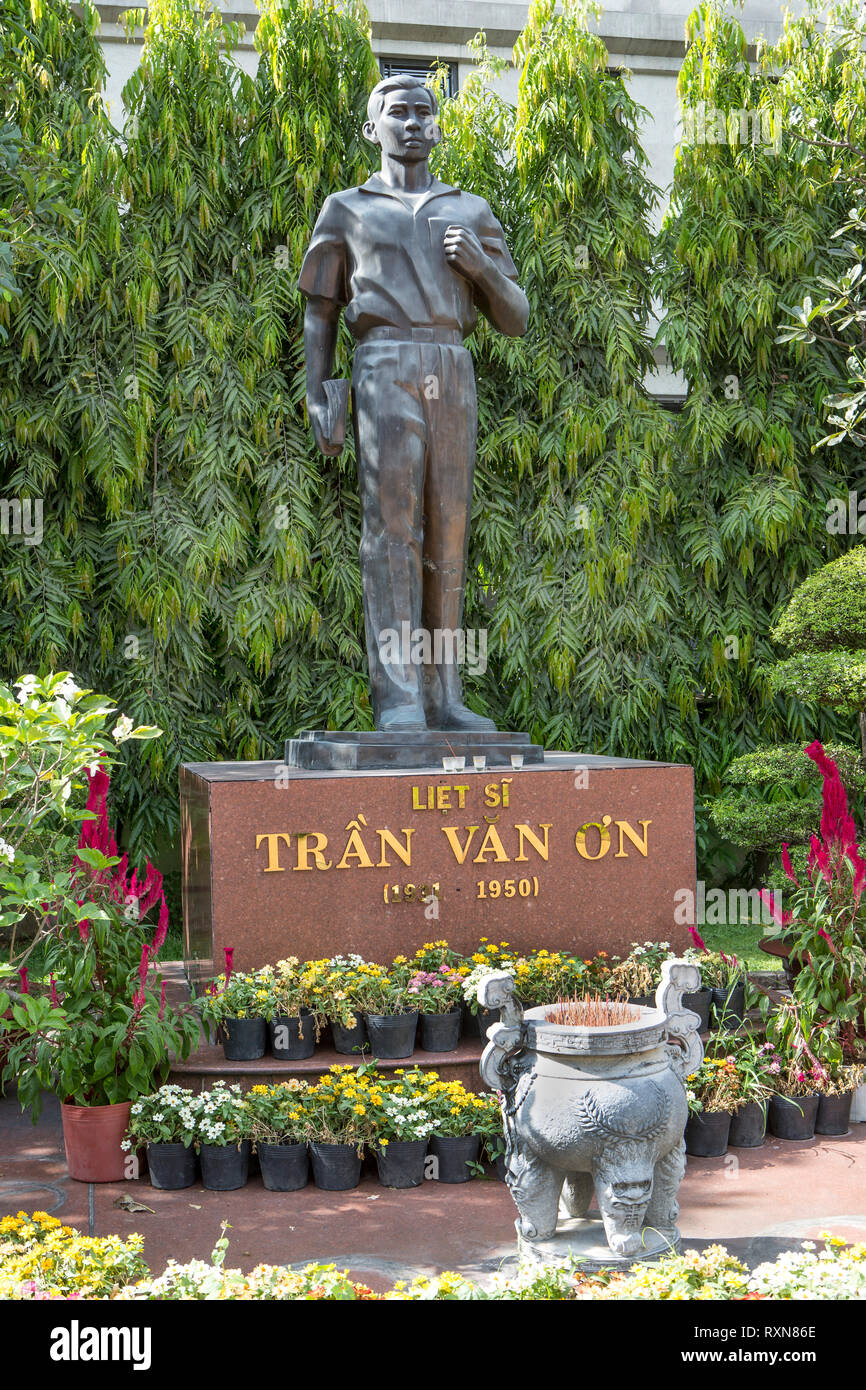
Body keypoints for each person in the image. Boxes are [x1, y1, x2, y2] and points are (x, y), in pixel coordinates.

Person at [299, 74, 529, 732]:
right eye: (396, 113)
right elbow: (320, 311)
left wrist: (480, 270)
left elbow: (515, 318)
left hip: (451, 363)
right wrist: (321, 396)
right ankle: (398, 695)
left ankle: (444, 696)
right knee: (393, 533)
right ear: (372, 129)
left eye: (423, 112)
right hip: (382, 362)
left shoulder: (471, 209)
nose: (412, 123)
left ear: (437, 127)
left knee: (448, 532)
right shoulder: (346, 208)